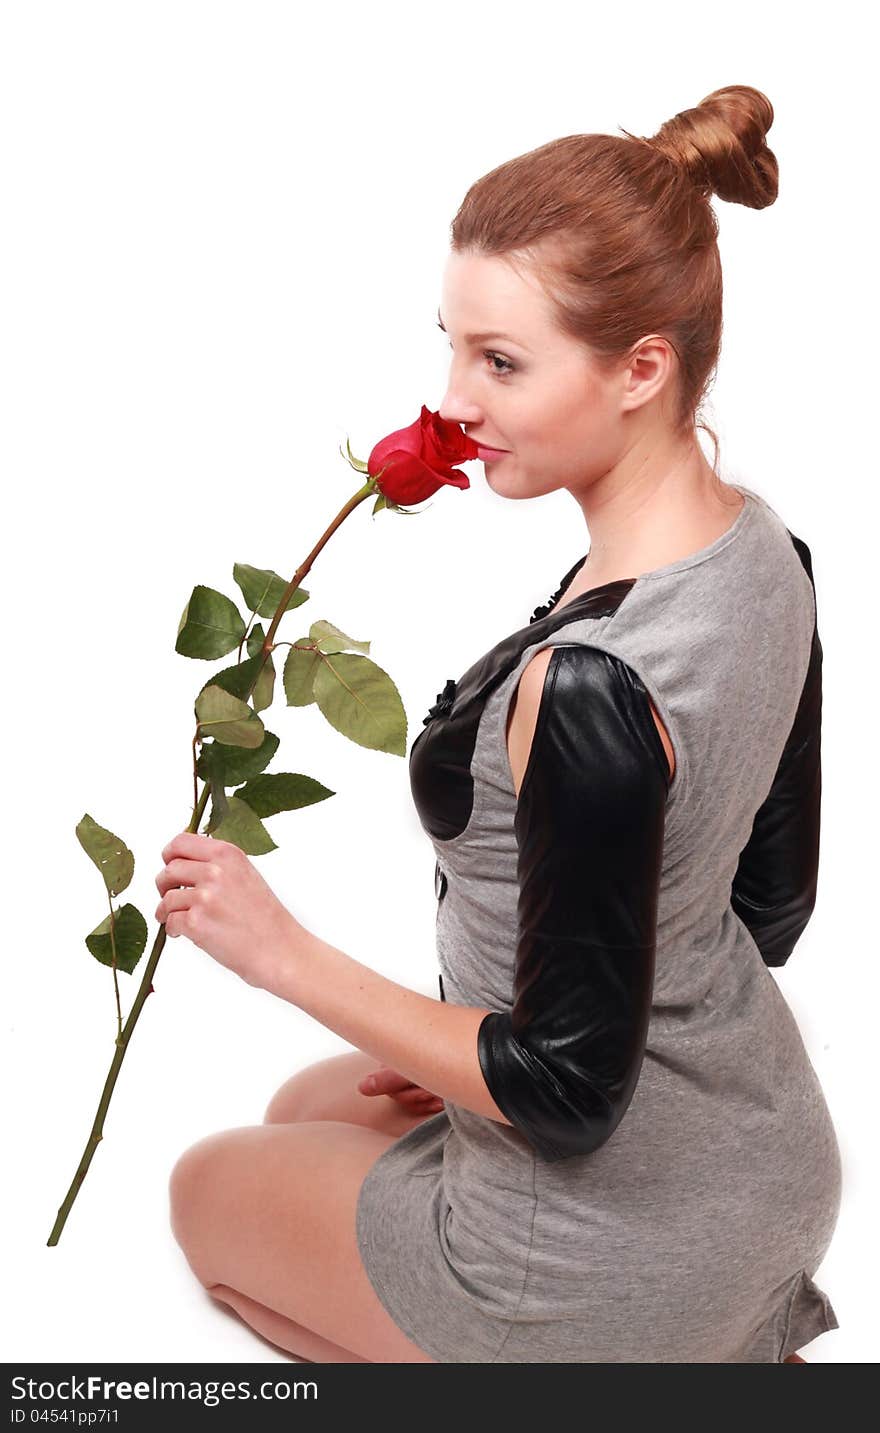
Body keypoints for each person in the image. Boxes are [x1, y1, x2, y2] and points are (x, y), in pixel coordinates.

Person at [167, 84, 842, 1362]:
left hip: (615, 1252)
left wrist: (278, 951)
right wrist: (488, 1034)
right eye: (452, 346)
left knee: (207, 1188)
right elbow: (766, 907)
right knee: (309, 1103)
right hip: (769, 1169)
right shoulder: (768, 555)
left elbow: (568, 1094)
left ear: (642, 365)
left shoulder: (588, 688)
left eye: (501, 362)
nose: (456, 400)